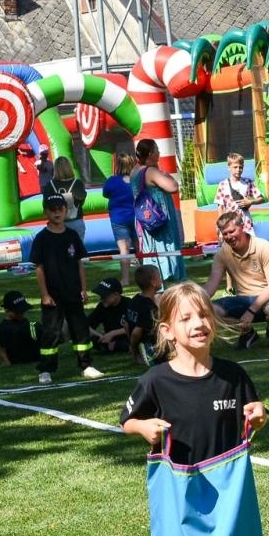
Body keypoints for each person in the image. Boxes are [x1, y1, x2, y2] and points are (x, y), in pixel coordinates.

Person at [121, 282, 269, 536]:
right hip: (178, 493)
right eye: (185, 318)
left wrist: (259, 416)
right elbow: (127, 419)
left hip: (229, 494)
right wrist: (143, 427)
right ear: (167, 331)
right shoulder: (156, 381)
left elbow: (254, 413)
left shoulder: (232, 376)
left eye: (203, 314)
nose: (197, 324)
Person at [31, 193, 105, 384]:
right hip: (53, 296)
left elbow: (79, 263)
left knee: (80, 330)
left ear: (66, 210)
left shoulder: (72, 235)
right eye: (52, 210)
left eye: (60, 209)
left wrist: (83, 288)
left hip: (73, 292)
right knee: (52, 332)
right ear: (46, 212)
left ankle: (86, 365)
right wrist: (44, 294)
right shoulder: (41, 238)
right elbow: (39, 268)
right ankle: (46, 369)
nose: (57, 213)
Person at [205, 210, 269, 349]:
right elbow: (211, 285)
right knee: (207, 311)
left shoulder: (264, 246)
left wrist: (250, 311)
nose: (229, 237)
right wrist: (193, 299)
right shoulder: (222, 254)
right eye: (225, 233)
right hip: (242, 300)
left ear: (242, 227)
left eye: (232, 231)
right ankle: (248, 332)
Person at [131, 138, 187, 283]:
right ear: (150, 154)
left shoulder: (135, 171)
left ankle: (155, 280)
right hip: (160, 220)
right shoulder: (151, 171)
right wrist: (167, 175)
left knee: (152, 251)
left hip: (146, 221)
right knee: (165, 248)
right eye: (157, 150)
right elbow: (173, 187)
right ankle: (168, 276)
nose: (160, 153)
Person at [102, 151, 138, 289]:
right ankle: (146, 275)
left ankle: (125, 279)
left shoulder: (112, 181)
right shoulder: (136, 180)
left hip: (118, 219)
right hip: (135, 218)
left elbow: (105, 193)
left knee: (124, 250)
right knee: (140, 247)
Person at [214, 152, 265, 231]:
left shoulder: (248, 182)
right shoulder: (223, 184)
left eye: (240, 167)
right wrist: (221, 227)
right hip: (230, 223)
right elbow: (220, 207)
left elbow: (261, 198)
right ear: (229, 167)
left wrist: (250, 202)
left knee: (249, 242)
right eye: (235, 167)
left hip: (246, 223)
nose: (238, 170)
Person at [44, 155, 89, 243]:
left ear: (55, 169)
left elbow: (45, 205)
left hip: (56, 224)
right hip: (75, 222)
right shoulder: (77, 183)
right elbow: (81, 200)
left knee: (59, 253)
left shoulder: (50, 185)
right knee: (77, 253)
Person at [125, 263, 163, 365]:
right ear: (153, 282)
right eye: (159, 277)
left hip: (138, 342)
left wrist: (131, 343)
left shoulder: (135, 299)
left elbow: (126, 324)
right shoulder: (149, 308)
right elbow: (137, 332)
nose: (161, 279)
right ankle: (146, 355)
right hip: (148, 344)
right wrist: (133, 348)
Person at [0, 290, 40, 367]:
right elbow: (3, 348)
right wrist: (6, 361)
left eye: (23, 311)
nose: (21, 314)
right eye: (17, 312)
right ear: (7, 311)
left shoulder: (24, 320)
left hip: (33, 356)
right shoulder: (3, 327)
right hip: (18, 359)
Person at [89, 277, 131, 353]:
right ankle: (110, 346)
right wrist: (101, 336)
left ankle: (115, 346)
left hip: (127, 337)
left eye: (104, 296)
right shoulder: (102, 307)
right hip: (109, 339)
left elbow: (136, 326)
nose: (101, 299)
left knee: (127, 343)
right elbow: (87, 325)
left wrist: (113, 333)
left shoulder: (129, 304)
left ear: (116, 294)